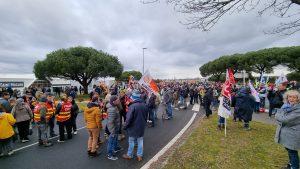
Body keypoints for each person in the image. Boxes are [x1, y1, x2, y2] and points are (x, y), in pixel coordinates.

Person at [275, 90, 300, 169]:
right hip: (287, 133)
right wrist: (279, 114)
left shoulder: (298, 109)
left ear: (298, 99)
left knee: (292, 152)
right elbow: (281, 115)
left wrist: (277, 115)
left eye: (294, 97)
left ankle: (294, 167)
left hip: (293, 134)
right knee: (289, 149)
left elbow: (285, 119)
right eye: (290, 96)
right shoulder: (286, 106)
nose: (291, 99)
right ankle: (291, 164)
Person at [122, 92, 149, 162]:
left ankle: (129, 155)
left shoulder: (132, 106)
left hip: (133, 127)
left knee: (131, 141)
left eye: (131, 98)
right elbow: (146, 117)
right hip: (141, 126)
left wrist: (125, 126)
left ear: (133, 98)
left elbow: (128, 119)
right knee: (140, 141)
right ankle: (139, 155)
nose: (130, 99)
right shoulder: (145, 105)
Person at [106, 95, 122, 160]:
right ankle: (110, 154)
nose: (119, 100)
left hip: (116, 127)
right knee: (111, 140)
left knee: (115, 138)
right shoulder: (111, 109)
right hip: (113, 128)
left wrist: (119, 103)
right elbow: (110, 122)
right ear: (114, 101)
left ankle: (115, 148)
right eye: (118, 100)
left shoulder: (115, 106)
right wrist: (112, 131)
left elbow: (121, 109)